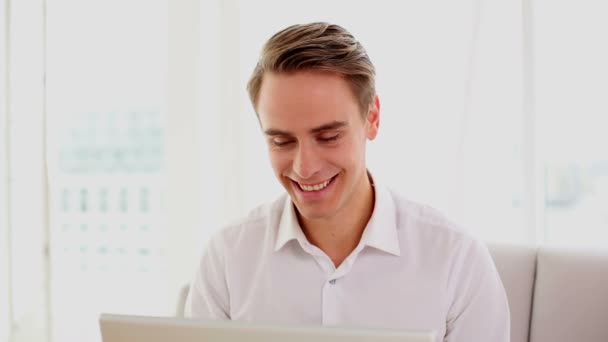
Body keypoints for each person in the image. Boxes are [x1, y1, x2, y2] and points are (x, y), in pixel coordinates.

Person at [185, 22, 510, 341]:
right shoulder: (228, 258)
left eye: (328, 137)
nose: (305, 167)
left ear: (372, 118)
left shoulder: (456, 260)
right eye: (282, 142)